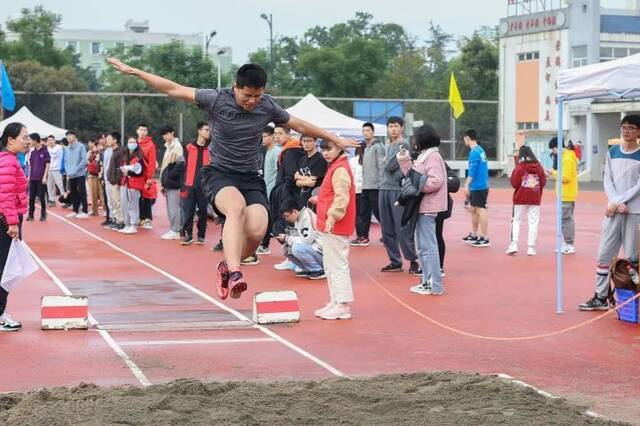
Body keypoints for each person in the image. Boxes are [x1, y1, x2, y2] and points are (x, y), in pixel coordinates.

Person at [107, 58, 358, 299]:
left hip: (250, 177)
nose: (252, 102)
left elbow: (300, 124)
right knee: (236, 208)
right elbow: (174, 88)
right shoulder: (216, 99)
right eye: (247, 96)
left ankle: (228, 266)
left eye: (257, 96)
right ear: (235, 87)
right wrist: (136, 72)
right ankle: (236, 273)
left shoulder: (267, 105)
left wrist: (334, 139)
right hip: (219, 173)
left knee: (259, 229)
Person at [579, 115, 640, 311]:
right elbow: (608, 180)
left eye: (631, 128)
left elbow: (639, 185)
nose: (626, 131)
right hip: (613, 211)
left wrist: (620, 201)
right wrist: (614, 201)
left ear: (638, 132)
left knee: (631, 258)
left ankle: (631, 298)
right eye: (624, 127)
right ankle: (601, 296)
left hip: (634, 211)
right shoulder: (612, 152)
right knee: (604, 254)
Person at [397, 124, 447, 295]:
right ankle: (427, 281)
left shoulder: (432, 156)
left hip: (428, 206)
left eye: (416, 138)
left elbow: (435, 181)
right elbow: (413, 175)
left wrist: (416, 187)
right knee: (423, 246)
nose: (414, 141)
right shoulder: (425, 155)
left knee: (428, 246)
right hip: (423, 205)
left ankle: (435, 284)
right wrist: (404, 160)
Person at [314, 140, 356, 320]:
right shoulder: (335, 167)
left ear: (339, 148)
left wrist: (332, 216)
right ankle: (335, 301)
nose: (325, 153)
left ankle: (343, 304)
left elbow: (342, 197)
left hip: (335, 224)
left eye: (329, 149)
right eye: (323, 149)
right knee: (330, 265)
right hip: (330, 223)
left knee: (337, 264)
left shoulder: (339, 168)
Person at [378, 116, 420, 275]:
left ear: (402, 128)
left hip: (397, 189)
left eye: (396, 126)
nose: (393, 129)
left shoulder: (403, 145)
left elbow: (389, 166)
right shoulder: (387, 145)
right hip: (383, 188)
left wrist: (387, 150)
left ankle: (413, 259)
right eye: (390, 126)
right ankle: (395, 261)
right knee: (386, 227)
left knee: (401, 226)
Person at [0, 122, 29, 331]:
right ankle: (0, 315)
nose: (27, 141)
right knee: (5, 270)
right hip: (7, 220)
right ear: (10, 139)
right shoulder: (8, 162)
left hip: (8, 218)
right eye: (24, 137)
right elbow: (5, 195)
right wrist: (12, 223)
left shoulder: (9, 159)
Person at [506, 145, 546, 256]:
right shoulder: (538, 167)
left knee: (516, 220)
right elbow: (543, 182)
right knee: (533, 222)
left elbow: (514, 183)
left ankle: (514, 244)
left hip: (520, 198)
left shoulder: (519, 167)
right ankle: (531, 247)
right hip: (535, 198)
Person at [351, 122, 384, 247]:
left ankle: (390, 234)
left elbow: (381, 166)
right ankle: (363, 237)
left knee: (379, 213)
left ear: (373, 132)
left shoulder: (378, 146)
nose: (366, 133)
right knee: (363, 213)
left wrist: (381, 184)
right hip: (365, 186)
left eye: (368, 130)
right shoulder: (367, 148)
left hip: (375, 186)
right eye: (364, 131)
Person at [546, 136, 579, 254]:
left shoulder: (567, 159)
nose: (553, 152)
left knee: (565, 219)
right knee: (565, 219)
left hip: (566, 194)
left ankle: (569, 243)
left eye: (553, 149)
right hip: (564, 193)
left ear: (558, 147)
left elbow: (565, 177)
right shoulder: (566, 157)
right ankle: (567, 242)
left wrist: (553, 173)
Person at [278, 199, 325, 279]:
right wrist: (287, 239)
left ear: (294, 211)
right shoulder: (299, 218)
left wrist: (287, 238)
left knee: (297, 248)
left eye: (287, 216)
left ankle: (318, 270)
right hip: (316, 250)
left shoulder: (306, 217)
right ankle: (308, 269)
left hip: (324, 253)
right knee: (286, 248)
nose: (286, 219)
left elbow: (306, 241)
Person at [181, 122, 211, 245]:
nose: (208, 132)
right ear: (199, 131)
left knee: (203, 211)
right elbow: (183, 167)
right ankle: (188, 235)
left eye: (209, 130)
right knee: (188, 211)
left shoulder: (211, 148)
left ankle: (201, 235)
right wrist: (183, 185)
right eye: (206, 130)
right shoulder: (188, 147)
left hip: (204, 186)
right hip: (189, 185)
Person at [461, 129, 490, 247]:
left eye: (464, 138)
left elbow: (472, 171)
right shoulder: (481, 150)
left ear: (467, 138)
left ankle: (484, 237)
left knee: (480, 210)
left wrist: (466, 184)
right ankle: (474, 234)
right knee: (473, 209)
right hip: (481, 185)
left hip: (478, 186)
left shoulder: (474, 152)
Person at [256, 126, 280, 255]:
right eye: (262, 136)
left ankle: (265, 244)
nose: (263, 139)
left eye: (265, 136)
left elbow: (279, 172)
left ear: (272, 137)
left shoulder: (276, 151)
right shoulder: (267, 151)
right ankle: (264, 244)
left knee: (270, 220)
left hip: (273, 192)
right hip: (266, 191)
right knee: (267, 219)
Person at [159, 125, 184, 240]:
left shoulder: (177, 146)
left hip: (174, 182)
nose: (165, 136)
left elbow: (181, 165)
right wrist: (163, 181)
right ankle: (174, 229)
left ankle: (177, 230)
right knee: (170, 207)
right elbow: (165, 166)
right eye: (163, 134)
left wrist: (169, 177)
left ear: (172, 133)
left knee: (175, 207)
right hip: (168, 181)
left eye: (167, 133)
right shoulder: (168, 147)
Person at [119, 137, 146, 235]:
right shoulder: (125, 156)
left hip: (134, 184)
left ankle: (133, 224)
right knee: (124, 204)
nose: (132, 143)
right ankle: (126, 224)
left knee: (133, 205)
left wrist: (129, 172)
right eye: (130, 142)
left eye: (134, 142)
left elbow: (140, 171)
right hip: (125, 183)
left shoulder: (140, 157)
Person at [295, 134, 327, 206]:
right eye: (304, 141)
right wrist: (304, 181)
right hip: (303, 197)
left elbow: (312, 181)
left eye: (309, 141)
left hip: (315, 197)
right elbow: (296, 180)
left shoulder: (320, 159)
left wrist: (299, 178)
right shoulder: (302, 159)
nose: (306, 144)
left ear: (315, 142)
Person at [63, 130, 88, 219]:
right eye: (67, 136)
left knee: (82, 192)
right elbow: (65, 161)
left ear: (75, 136)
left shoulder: (81, 146)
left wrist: (75, 170)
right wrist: (67, 170)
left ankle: (85, 211)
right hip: (70, 174)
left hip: (80, 174)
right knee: (73, 192)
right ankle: (75, 210)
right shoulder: (66, 148)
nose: (69, 137)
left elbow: (84, 160)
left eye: (70, 135)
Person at [136, 123, 157, 230]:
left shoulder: (150, 145)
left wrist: (149, 177)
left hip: (145, 175)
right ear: (137, 131)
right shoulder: (134, 143)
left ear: (147, 132)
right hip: (136, 175)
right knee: (138, 196)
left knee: (147, 195)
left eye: (145, 130)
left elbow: (152, 162)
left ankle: (148, 218)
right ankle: (140, 217)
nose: (143, 132)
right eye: (141, 130)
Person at [26, 133, 50, 222]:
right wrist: (29, 176)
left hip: (41, 178)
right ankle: (30, 215)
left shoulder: (45, 152)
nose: (29, 142)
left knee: (41, 197)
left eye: (30, 140)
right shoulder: (32, 152)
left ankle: (43, 214)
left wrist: (44, 177)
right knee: (31, 197)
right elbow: (31, 165)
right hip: (33, 178)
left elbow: (47, 165)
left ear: (35, 140)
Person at [105, 132, 125, 231]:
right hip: (112, 181)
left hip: (116, 182)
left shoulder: (120, 152)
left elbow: (120, 167)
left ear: (115, 140)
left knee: (117, 202)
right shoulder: (113, 151)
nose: (107, 141)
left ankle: (121, 222)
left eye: (109, 139)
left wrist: (117, 180)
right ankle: (117, 220)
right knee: (114, 201)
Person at [87, 140, 106, 216]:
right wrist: (91, 154)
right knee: (93, 193)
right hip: (92, 174)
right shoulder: (91, 153)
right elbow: (87, 161)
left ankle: (106, 210)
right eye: (96, 145)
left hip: (100, 175)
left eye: (99, 145)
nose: (97, 147)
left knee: (102, 194)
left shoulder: (104, 153)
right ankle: (94, 210)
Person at [101, 133, 115, 227]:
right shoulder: (106, 151)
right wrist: (103, 177)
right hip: (106, 179)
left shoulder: (116, 151)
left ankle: (115, 219)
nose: (107, 140)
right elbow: (105, 166)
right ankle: (110, 218)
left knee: (114, 200)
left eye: (109, 139)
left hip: (113, 180)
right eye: (106, 139)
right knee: (109, 200)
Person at [46, 135, 64, 206]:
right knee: (50, 186)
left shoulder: (59, 147)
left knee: (60, 185)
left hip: (57, 169)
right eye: (49, 140)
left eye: (51, 140)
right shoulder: (47, 149)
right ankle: (52, 200)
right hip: (49, 169)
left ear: (54, 140)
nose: (50, 141)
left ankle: (64, 200)